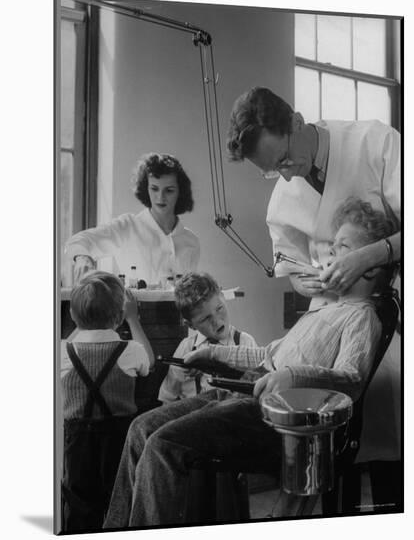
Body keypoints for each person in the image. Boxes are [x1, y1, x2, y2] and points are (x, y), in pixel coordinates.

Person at [103, 199, 395, 528]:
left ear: (369, 265)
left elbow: (351, 379)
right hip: (242, 396)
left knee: (163, 446)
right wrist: (214, 354)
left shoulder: (362, 316)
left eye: (342, 247)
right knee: (140, 429)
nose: (330, 254)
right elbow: (267, 354)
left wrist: (291, 375)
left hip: (272, 416)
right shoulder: (326, 309)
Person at [226, 86, 400, 303]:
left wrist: (368, 257)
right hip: (329, 306)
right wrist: (304, 283)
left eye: (284, 159)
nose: (286, 176)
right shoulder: (282, 199)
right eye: (273, 170)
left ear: (296, 122)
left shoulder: (377, 142)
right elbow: (292, 266)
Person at [60, 271, 154, 531]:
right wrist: (133, 320)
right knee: (120, 500)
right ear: (119, 316)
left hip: (77, 441)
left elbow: (77, 336)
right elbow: (150, 363)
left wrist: (83, 317)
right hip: (120, 439)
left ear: (73, 316)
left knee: (79, 504)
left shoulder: (62, 351)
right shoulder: (131, 351)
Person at [65, 153, 200, 286]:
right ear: (146, 189)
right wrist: (82, 258)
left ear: (180, 192)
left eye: (169, 190)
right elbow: (78, 241)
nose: (160, 197)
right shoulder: (128, 227)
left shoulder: (191, 241)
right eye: (154, 189)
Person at [158, 272, 256, 402]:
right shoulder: (186, 349)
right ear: (191, 325)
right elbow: (168, 397)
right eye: (206, 318)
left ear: (222, 296)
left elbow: (257, 386)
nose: (216, 321)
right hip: (195, 415)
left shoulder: (245, 342)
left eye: (219, 308)